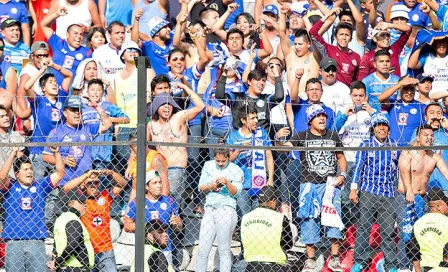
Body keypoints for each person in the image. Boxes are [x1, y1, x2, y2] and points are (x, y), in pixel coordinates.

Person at [276, 104, 347, 271]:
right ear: (310, 120)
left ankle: (334, 258)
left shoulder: (333, 136)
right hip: (309, 186)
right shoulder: (301, 136)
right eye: (318, 116)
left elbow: (341, 157)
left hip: (330, 184)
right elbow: (284, 149)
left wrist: (342, 174)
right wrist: (279, 140)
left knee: (334, 221)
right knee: (309, 220)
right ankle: (310, 259)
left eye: (324, 116)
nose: (322, 118)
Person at [0, 146, 65, 272]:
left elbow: (60, 173)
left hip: (36, 240)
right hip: (14, 241)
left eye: (30, 168)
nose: (29, 172)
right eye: (25, 169)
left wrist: (56, 153)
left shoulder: (40, 185)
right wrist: (13, 153)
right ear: (17, 173)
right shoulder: (10, 187)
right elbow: (2, 177)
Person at [350, 113, 399, 272]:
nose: (381, 128)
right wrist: (353, 188)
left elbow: (399, 168)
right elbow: (358, 167)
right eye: (378, 125)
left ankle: (391, 264)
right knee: (364, 227)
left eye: (384, 125)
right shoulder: (366, 144)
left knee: (388, 231)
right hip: (368, 191)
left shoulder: (394, 145)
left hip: (388, 193)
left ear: (388, 128)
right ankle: (360, 261)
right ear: (373, 128)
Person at [398, 125, 448, 270]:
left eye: (432, 136)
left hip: (422, 198)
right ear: (418, 137)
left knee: (419, 234)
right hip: (405, 196)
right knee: (406, 233)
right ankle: (403, 267)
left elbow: (446, 172)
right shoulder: (408, 152)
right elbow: (404, 172)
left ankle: (423, 265)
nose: (429, 138)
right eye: (426, 135)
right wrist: (409, 190)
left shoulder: (434, 156)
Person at [147, 88, 205, 210]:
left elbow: (200, 106)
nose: (167, 107)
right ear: (156, 106)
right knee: (158, 202)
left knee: (171, 201)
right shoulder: (151, 124)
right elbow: (145, 146)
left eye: (170, 104)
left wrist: (184, 87)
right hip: (157, 170)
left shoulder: (179, 117)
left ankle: (173, 225)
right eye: (163, 104)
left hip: (176, 169)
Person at [62, 169, 128, 272]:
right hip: (86, 251)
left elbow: (122, 184)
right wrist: (85, 175)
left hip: (106, 250)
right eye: (90, 183)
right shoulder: (79, 198)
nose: (93, 185)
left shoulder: (105, 196)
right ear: (83, 185)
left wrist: (111, 173)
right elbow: (66, 189)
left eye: (96, 182)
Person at [196, 148, 244, 272]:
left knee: (224, 250)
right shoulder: (208, 165)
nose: (221, 163)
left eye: (224, 160)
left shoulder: (235, 169)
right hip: (210, 208)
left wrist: (227, 183)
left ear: (229, 157)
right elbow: (201, 187)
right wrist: (212, 185)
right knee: (202, 249)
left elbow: (237, 193)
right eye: (218, 161)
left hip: (226, 209)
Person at [124, 170, 183, 268]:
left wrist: (178, 223)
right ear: (146, 186)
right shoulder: (137, 202)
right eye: (154, 183)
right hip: (145, 248)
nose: (159, 185)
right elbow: (127, 226)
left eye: (160, 182)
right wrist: (147, 230)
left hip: (165, 248)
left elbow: (178, 229)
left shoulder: (170, 201)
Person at [226, 106, 274, 216]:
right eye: (252, 118)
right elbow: (227, 161)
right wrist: (238, 150)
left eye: (256, 117)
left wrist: (270, 179)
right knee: (245, 217)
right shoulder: (232, 137)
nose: (256, 121)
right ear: (243, 120)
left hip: (260, 183)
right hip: (241, 185)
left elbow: (269, 156)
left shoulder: (262, 134)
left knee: (259, 218)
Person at [240, 185, 294, 271]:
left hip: (251, 266)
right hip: (275, 266)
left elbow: (243, 246)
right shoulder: (280, 218)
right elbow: (289, 244)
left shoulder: (246, 217)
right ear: (273, 201)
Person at [41, 6, 93, 86]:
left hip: (73, 93)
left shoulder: (87, 53)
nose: (79, 36)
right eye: (75, 33)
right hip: (54, 90)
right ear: (67, 35)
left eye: (81, 34)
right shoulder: (58, 43)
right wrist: (56, 14)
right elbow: (44, 25)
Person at [309, 8, 361, 87]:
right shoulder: (328, 49)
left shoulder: (356, 57)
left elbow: (357, 80)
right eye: (341, 34)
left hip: (346, 94)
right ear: (335, 38)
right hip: (330, 91)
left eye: (346, 35)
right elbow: (312, 33)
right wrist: (328, 15)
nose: (344, 37)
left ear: (350, 38)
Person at [407, 188, 448, 271]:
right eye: (446, 204)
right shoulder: (446, 222)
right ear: (438, 207)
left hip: (426, 269)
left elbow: (414, 251)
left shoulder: (418, 223)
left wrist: (418, 270)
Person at [378, 75, 425, 146]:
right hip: (393, 147)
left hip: (412, 149)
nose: (409, 92)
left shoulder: (422, 106)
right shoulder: (393, 103)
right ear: (399, 89)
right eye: (406, 88)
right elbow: (381, 98)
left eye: (411, 89)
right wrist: (400, 84)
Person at [53, 199, 95, 271]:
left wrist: (57, 260)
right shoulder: (72, 218)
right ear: (70, 204)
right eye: (81, 203)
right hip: (76, 265)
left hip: (64, 266)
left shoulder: (61, 218)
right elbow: (73, 244)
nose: (84, 206)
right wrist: (58, 261)